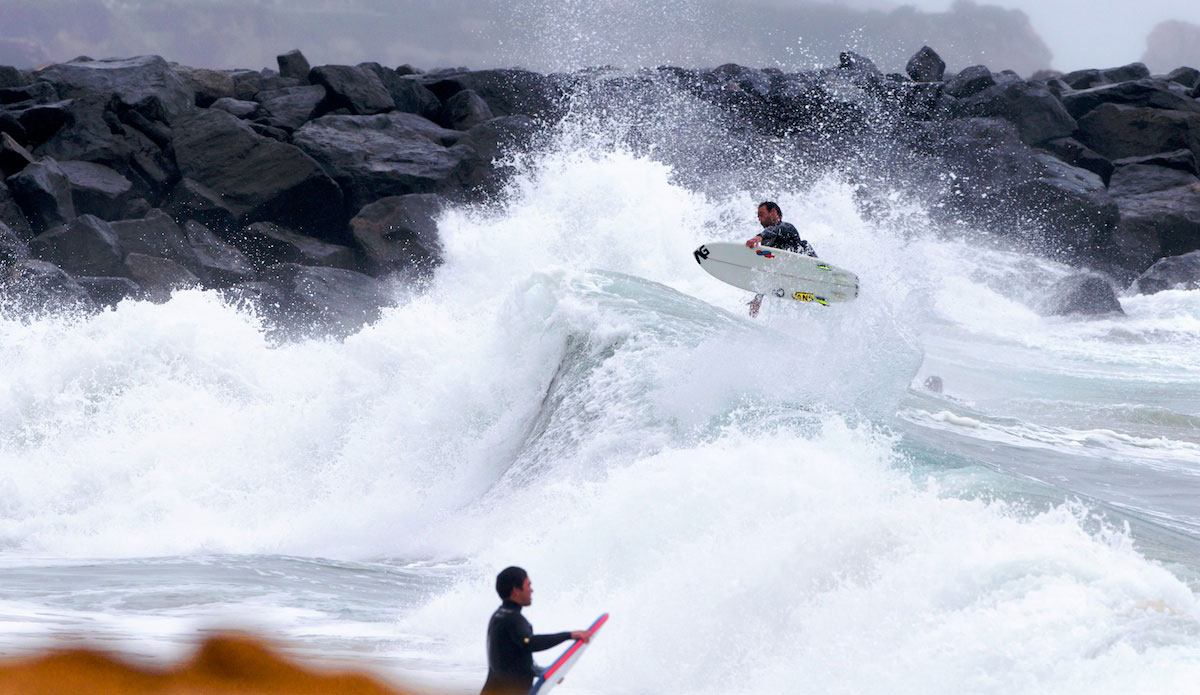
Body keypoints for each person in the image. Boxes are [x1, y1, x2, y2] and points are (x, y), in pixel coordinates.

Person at [481, 567, 590, 695]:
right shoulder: (513, 619)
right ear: (516, 590)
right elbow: (530, 643)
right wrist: (568, 635)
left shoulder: (499, 616)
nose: (531, 590)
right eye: (528, 585)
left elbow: (511, 660)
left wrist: (544, 673)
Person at [744, 201, 817, 317]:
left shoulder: (787, 227)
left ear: (773, 212)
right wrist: (758, 298)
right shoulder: (768, 242)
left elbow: (777, 230)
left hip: (806, 265)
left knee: (803, 245)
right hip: (792, 275)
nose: (759, 218)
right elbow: (767, 269)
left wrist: (759, 236)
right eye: (758, 216)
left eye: (761, 214)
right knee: (771, 262)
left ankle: (820, 269)